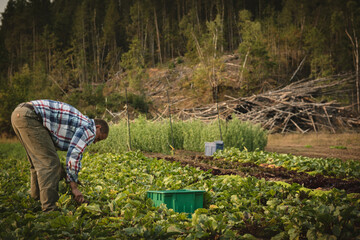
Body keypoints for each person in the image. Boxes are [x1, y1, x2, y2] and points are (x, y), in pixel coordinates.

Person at [11, 99, 109, 212]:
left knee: (37, 162)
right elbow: (74, 155)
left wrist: (66, 175)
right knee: (50, 164)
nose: (95, 141)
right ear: (98, 127)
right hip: (30, 117)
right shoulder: (89, 128)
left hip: (19, 114)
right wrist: (74, 187)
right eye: (98, 138)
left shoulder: (81, 122)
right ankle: (50, 209)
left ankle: (37, 200)